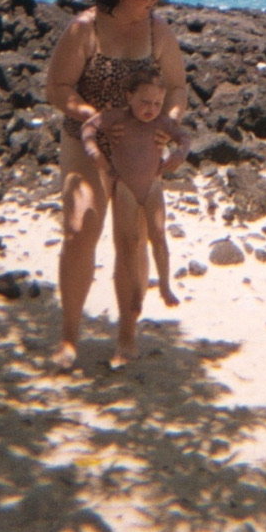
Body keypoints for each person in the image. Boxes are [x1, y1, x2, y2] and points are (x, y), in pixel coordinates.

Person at [44, 0, 187, 367]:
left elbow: (177, 87)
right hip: (86, 141)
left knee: (132, 240)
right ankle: (69, 337)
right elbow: (57, 88)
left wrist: (168, 124)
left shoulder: (158, 30)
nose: (152, 1)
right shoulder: (84, 28)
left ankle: (126, 335)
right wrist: (96, 118)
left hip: (139, 148)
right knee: (79, 228)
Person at [81, 60, 191, 366]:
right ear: (129, 96)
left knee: (158, 236)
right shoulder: (116, 118)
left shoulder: (161, 123)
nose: (150, 109)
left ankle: (165, 284)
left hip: (153, 185)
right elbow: (89, 127)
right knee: (129, 245)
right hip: (125, 188)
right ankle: (134, 297)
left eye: (157, 103)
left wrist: (179, 155)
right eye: (144, 101)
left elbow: (185, 137)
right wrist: (94, 152)